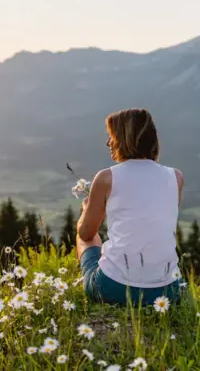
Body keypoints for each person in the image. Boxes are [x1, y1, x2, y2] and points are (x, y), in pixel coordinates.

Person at [77, 108, 184, 307]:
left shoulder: (106, 178)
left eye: (112, 136)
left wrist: (86, 211)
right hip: (169, 292)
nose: (108, 143)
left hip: (114, 289)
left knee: (88, 238)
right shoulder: (176, 177)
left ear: (125, 140)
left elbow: (86, 233)